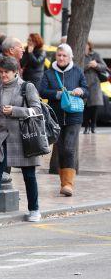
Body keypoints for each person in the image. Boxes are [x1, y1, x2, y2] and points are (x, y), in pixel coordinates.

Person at [0, 56, 42, 222]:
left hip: (24, 137)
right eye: (1, 72)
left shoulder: (27, 87)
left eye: (6, 72)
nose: (3, 75)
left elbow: (36, 110)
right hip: (3, 136)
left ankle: (34, 210)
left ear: (15, 72)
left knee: (29, 174)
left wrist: (15, 110)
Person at [40, 44, 88, 197]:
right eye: (59, 55)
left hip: (74, 116)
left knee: (69, 148)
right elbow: (41, 91)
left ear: (70, 57)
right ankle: (64, 183)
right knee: (61, 149)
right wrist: (58, 94)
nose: (61, 58)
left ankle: (68, 184)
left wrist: (81, 91)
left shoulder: (77, 72)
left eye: (64, 56)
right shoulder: (49, 73)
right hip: (56, 117)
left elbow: (86, 90)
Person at [83, 41, 109, 134]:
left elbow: (104, 67)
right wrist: (88, 65)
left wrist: (96, 65)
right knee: (85, 107)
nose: (85, 46)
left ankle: (93, 126)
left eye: (87, 44)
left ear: (89, 46)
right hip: (83, 84)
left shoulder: (95, 55)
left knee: (95, 106)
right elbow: (77, 67)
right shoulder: (79, 55)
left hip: (95, 84)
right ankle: (86, 126)